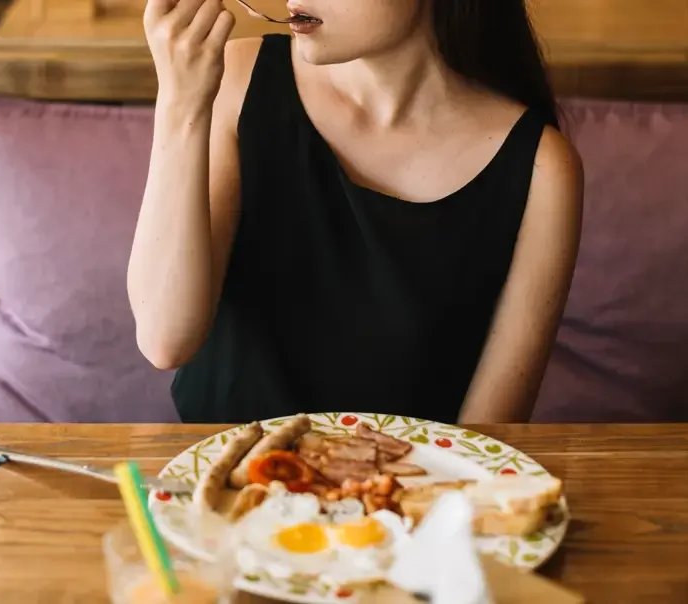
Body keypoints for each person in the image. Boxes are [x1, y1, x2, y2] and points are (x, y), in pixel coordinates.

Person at [126, 0, 583, 425]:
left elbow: (485, 447)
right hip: (217, 495)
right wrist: (180, 102)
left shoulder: (541, 167)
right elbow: (165, 339)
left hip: (411, 503)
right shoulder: (237, 79)